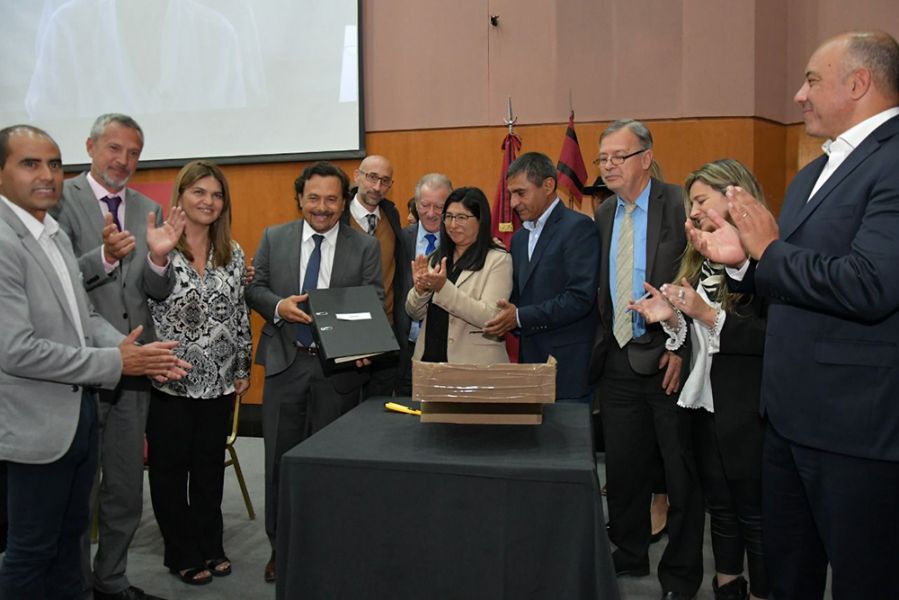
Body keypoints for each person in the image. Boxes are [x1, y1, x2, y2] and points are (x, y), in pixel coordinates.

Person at [687, 31, 899, 600]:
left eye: (811, 80)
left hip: (856, 428)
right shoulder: (812, 173)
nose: (799, 96)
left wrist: (770, 254)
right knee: (786, 578)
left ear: (858, 83)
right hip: (786, 418)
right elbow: (793, 275)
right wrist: (743, 266)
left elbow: (873, 285)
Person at [0, 124, 188, 600]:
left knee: (70, 539)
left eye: (53, 165)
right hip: (33, 426)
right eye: (30, 163)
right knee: (30, 553)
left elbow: (83, 317)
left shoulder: (51, 231)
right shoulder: (6, 241)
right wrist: (115, 361)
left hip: (77, 408)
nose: (47, 176)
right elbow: (16, 350)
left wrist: (137, 354)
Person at [52, 113, 180, 600]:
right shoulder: (59, 200)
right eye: (113, 148)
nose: (123, 160)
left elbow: (155, 292)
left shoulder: (148, 206)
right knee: (78, 492)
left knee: (125, 490)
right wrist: (103, 258)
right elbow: (58, 283)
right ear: (89, 146)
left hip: (134, 369)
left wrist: (159, 261)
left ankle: (112, 580)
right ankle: (76, 585)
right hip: (80, 368)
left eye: (132, 152)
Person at [631, 159, 769, 600]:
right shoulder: (698, 255)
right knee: (720, 508)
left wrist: (703, 313)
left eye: (700, 201)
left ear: (734, 199)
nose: (691, 213)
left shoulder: (770, 255)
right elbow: (699, 337)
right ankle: (728, 585)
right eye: (690, 203)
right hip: (704, 404)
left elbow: (767, 335)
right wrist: (672, 319)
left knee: (756, 514)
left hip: (748, 407)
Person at [245, 161, 382, 584]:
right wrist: (277, 306)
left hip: (335, 373)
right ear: (300, 199)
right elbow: (255, 287)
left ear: (344, 202)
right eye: (314, 198)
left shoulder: (365, 247)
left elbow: (373, 300)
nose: (322, 207)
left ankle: (329, 546)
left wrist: (364, 346)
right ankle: (279, 549)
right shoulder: (275, 236)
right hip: (286, 365)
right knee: (279, 464)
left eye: (331, 199)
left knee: (332, 465)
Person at [588, 119, 704, 600]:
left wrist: (682, 345)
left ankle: (680, 574)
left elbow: (702, 276)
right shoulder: (602, 214)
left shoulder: (680, 203)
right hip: (617, 360)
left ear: (646, 158)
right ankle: (629, 551)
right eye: (603, 158)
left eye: (618, 156)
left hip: (668, 361)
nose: (608, 165)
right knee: (623, 469)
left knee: (680, 474)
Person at [145, 160, 252, 586]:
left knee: (209, 471)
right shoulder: (159, 247)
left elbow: (241, 313)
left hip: (220, 383)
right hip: (171, 380)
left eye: (216, 194)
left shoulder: (234, 251)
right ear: (181, 197)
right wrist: (157, 255)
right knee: (171, 473)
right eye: (199, 192)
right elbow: (146, 299)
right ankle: (181, 552)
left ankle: (211, 545)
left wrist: (242, 366)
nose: (208, 201)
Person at [483, 152, 599, 402]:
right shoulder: (520, 237)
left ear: (548, 185)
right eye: (511, 193)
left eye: (520, 193)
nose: (513, 202)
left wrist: (519, 316)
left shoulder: (578, 228)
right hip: (530, 367)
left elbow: (579, 298)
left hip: (568, 368)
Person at [406, 186, 512, 364]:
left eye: (462, 217)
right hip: (428, 361)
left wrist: (443, 288)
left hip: (473, 365)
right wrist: (420, 290)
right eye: (448, 217)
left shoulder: (498, 260)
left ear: (481, 220)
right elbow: (414, 313)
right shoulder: (437, 257)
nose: (453, 225)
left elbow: (491, 317)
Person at [341, 154, 407, 398]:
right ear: (356, 176)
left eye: (385, 181)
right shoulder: (336, 218)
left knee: (377, 411)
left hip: (386, 332)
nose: (377, 187)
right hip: (346, 332)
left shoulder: (391, 215)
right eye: (372, 178)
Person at [397, 173, 452, 394]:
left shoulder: (459, 241)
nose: (431, 214)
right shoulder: (400, 239)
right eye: (424, 205)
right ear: (415, 204)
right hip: (406, 350)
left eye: (439, 207)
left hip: (447, 351)